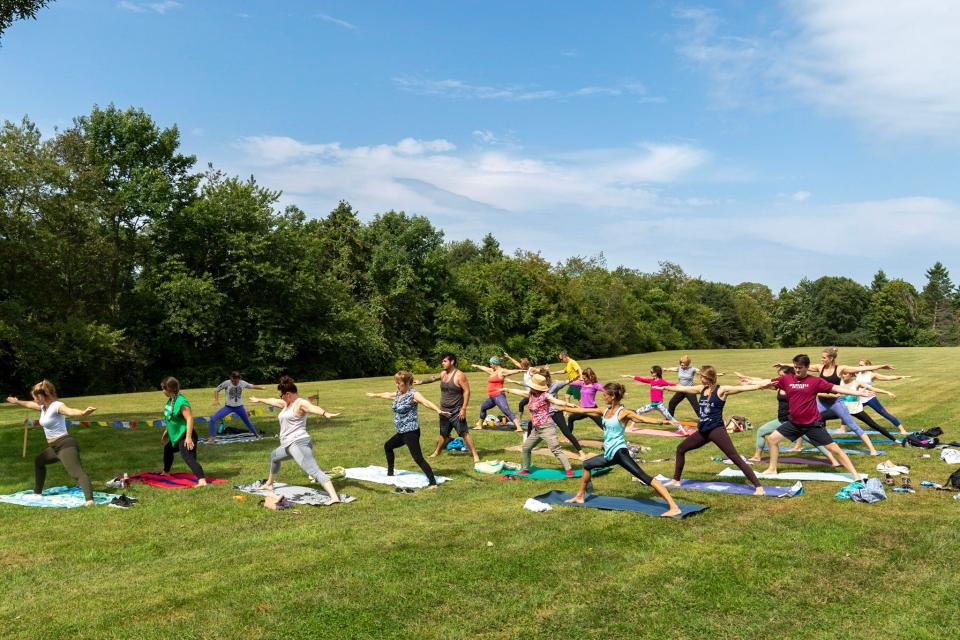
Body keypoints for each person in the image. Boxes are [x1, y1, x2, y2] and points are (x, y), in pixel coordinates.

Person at [740, 354, 872, 478]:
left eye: (800, 368)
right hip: (794, 423)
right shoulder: (786, 379)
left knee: (834, 448)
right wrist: (750, 382)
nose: (797, 370)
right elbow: (766, 381)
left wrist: (858, 393)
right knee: (772, 439)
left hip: (812, 424)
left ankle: (855, 475)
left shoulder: (815, 381)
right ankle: (772, 469)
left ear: (807, 367)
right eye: (795, 367)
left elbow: (836, 388)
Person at [563, 382, 682, 517]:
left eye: (605, 395)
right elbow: (583, 410)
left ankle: (674, 507)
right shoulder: (604, 410)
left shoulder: (623, 413)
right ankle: (580, 496)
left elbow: (642, 418)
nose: (603, 397)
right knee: (587, 464)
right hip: (609, 454)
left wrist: (663, 421)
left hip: (620, 453)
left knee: (645, 477)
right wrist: (563, 407)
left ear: (613, 396)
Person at [658, 366, 766, 495]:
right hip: (703, 431)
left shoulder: (721, 390)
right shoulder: (701, 389)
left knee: (734, 457)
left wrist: (759, 386)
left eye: (702, 377)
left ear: (709, 377)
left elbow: (740, 389)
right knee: (681, 449)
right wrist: (665, 387)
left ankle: (758, 487)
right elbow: (683, 388)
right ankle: (676, 480)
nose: (700, 379)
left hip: (716, 430)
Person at [5, 380, 97, 506]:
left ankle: (89, 500)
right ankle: (37, 493)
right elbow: (29, 404)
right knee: (39, 461)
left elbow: (69, 411)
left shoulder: (56, 406)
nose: (34, 400)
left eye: (35, 397)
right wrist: (16, 402)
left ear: (42, 396)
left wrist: (82, 412)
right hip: (54, 448)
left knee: (76, 473)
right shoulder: (43, 407)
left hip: (65, 445)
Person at [249, 376, 341, 500]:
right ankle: (269, 484)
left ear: (288, 394)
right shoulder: (286, 403)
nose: (280, 398)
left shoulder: (300, 403)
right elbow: (273, 401)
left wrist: (325, 413)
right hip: (288, 445)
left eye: (281, 396)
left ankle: (334, 497)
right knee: (274, 456)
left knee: (314, 471)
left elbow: (312, 408)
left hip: (298, 443)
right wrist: (259, 399)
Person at [366, 370, 449, 489]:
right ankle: (390, 473)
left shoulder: (413, 394)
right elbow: (387, 394)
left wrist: (438, 410)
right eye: (396, 382)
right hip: (401, 432)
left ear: (407, 383)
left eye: (399, 383)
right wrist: (374, 395)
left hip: (411, 432)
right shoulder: (399, 393)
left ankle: (433, 482)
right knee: (388, 446)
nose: (397, 385)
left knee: (418, 458)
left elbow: (425, 402)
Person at [745, 366, 839, 466]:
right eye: (779, 376)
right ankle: (757, 456)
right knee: (761, 431)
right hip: (781, 420)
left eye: (782, 375)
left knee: (814, 440)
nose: (780, 378)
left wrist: (832, 395)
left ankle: (834, 460)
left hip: (794, 422)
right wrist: (750, 381)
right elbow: (765, 383)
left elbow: (816, 392)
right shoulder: (779, 386)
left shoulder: (794, 387)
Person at [502, 373, 576, 475]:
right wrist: (507, 389)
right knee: (526, 448)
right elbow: (519, 392)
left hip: (547, 427)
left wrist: (568, 404)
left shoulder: (545, 395)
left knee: (555, 450)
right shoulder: (531, 395)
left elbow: (555, 401)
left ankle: (569, 470)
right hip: (536, 429)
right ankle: (525, 469)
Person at [417, 353, 480, 463]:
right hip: (443, 410)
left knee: (464, 433)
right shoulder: (443, 374)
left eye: (445, 361)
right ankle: (437, 452)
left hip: (457, 410)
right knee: (443, 434)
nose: (442, 363)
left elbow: (467, 391)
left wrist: (463, 409)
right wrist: (421, 382)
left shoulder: (459, 375)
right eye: (442, 361)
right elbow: (433, 378)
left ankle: (475, 455)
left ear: (452, 362)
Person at [160, 377, 207, 486]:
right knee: (168, 449)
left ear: (168, 389)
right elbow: (171, 417)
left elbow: (189, 419)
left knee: (187, 457)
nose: (162, 391)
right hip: (177, 436)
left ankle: (202, 480)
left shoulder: (181, 402)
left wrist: (188, 437)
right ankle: (166, 472)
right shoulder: (172, 400)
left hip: (185, 435)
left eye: (163, 388)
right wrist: (167, 432)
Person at [835, 370, 902, 445]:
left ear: (851, 374)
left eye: (845, 374)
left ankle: (895, 440)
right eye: (842, 374)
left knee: (874, 425)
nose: (843, 376)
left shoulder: (856, 383)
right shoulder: (838, 382)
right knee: (822, 417)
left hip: (856, 410)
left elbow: (872, 389)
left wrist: (887, 392)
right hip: (842, 410)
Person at [620, 366, 686, 432]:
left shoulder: (661, 381)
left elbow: (671, 385)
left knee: (670, 418)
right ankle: (632, 425)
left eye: (651, 372)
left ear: (656, 373)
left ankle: (683, 430)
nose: (650, 373)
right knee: (638, 412)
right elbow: (641, 379)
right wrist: (629, 376)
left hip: (660, 405)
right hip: (652, 405)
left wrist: (683, 387)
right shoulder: (652, 380)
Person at [856, 359, 911, 435]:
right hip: (859, 398)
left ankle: (902, 430)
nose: (859, 367)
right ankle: (843, 429)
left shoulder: (872, 375)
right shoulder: (857, 373)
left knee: (884, 413)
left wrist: (900, 377)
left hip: (870, 398)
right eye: (859, 365)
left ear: (867, 366)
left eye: (862, 365)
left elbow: (887, 378)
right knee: (848, 410)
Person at [208, 371, 265, 441]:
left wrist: (262, 388)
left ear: (239, 379)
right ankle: (212, 437)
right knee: (213, 419)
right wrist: (216, 400)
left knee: (247, 421)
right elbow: (216, 390)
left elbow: (252, 386)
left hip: (239, 407)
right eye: (233, 381)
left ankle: (256, 435)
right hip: (228, 407)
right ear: (231, 378)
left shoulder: (242, 383)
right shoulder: (226, 383)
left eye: (236, 381)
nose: (235, 382)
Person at [471, 357, 524, 430]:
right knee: (483, 407)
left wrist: (521, 370)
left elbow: (511, 371)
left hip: (499, 396)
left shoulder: (501, 371)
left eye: (490, 364)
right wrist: (477, 366)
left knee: (506, 410)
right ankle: (480, 425)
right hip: (492, 398)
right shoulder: (492, 371)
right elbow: (484, 368)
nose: (489, 365)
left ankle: (518, 427)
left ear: (494, 364)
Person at [502, 351, 537, 424]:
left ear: (525, 366)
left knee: (532, 408)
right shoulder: (525, 370)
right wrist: (508, 357)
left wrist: (545, 369)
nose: (520, 367)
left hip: (535, 393)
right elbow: (516, 363)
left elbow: (539, 371)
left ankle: (536, 421)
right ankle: (519, 420)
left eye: (522, 366)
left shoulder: (531, 370)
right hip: (529, 393)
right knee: (522, 404)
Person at [567, 368, 605, 432]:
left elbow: (605, 389)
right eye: (583, 378)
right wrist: (569, 380)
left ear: (590, 377)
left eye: (585, 378)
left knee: (603, 427)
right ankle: (569, 436)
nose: (583, 379)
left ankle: (615, 439)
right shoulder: (582, 383)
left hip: (592, 410)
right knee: (570, 418)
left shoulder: (595, 385)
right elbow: (570, 383)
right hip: (583, 410)